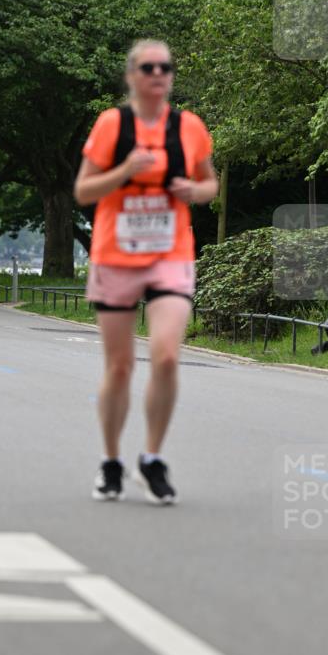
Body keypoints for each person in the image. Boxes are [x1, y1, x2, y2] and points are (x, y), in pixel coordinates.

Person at [74, 39, 218, 505]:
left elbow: (210, 182)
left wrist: (193, 191)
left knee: (167, 356)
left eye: (165, 67)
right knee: (118, 367)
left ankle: (152, 458)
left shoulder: (190, 127)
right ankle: (111, 461)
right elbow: (83, 190)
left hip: (169, 253)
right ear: (131, 75)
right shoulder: (112, 125)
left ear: (171, 76)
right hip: (116, 255)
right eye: (147, 67)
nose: (157, 74)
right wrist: (124, 171)